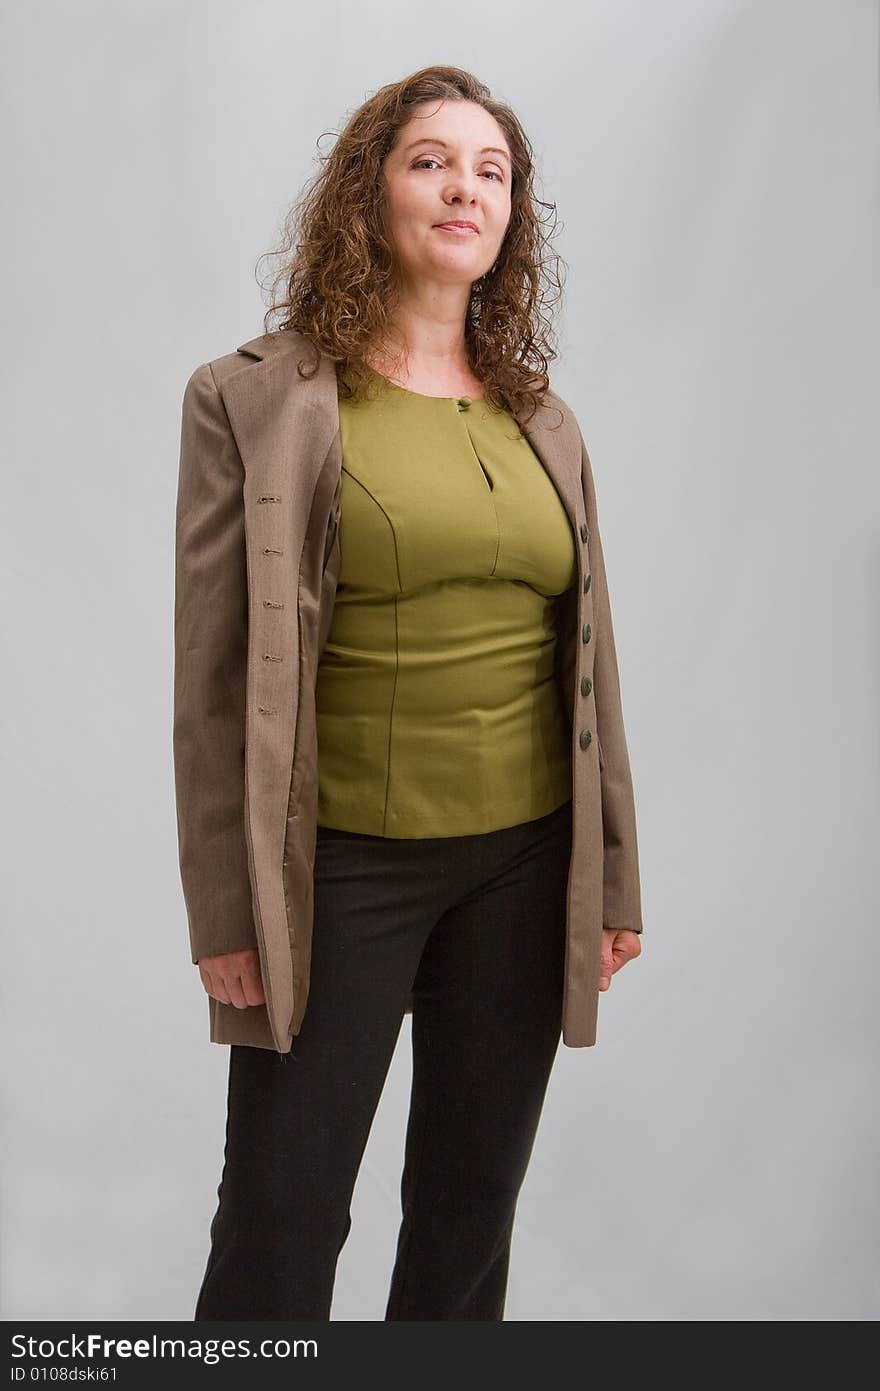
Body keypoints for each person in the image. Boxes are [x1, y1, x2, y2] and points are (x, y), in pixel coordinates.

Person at [173, 64, 644, 1322]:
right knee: (282, 1213)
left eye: (491, 171)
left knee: (467, 1213)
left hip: (526, 862)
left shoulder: (544, 420)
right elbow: (217, 678)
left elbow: (588, 657)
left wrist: (612, 869)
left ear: (510, 219)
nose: (464, 188)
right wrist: (225, 906)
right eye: (432, 160)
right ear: (368, 192)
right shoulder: (258, 397)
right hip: (340, 867)